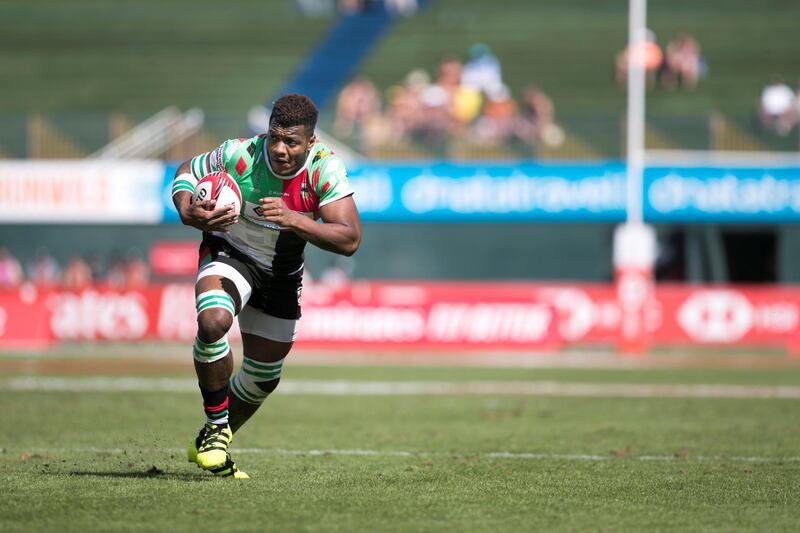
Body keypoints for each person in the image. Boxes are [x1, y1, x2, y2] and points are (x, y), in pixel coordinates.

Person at [171, 94, 361, 479]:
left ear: (310, 142)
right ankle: (217, 431)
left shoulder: (325, 170)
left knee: (263, 378)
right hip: (231, 251)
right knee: (212, 322)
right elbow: (187, 170)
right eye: (274, 137)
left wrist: (295, 219)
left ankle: (210, 436)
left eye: (291, 141)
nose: (279, 148)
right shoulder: (241, 153)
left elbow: (349, 238)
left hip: (282, 273)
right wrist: (187, 208)